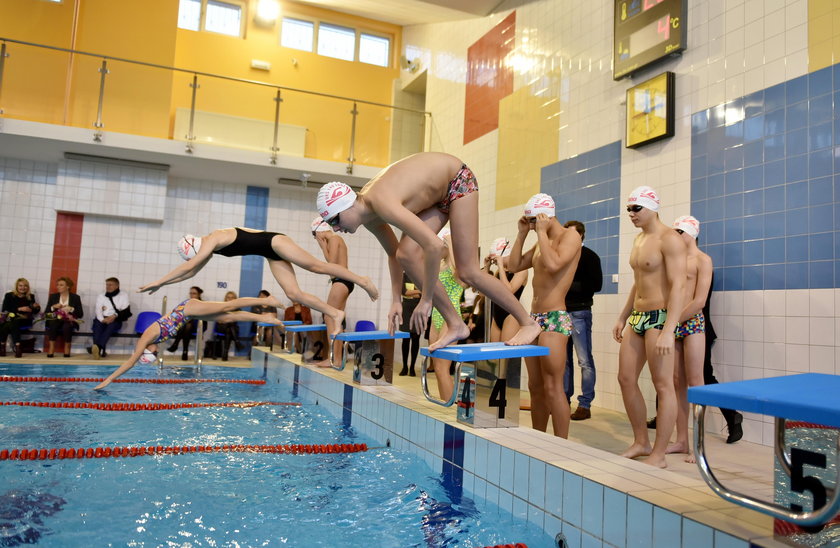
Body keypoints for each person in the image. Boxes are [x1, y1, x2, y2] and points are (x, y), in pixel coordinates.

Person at [315, 152, 540, 350]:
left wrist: (426, 299)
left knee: (468, 271)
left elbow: (434, 245)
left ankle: (528, 323)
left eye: (335, 220)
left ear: (347, 206)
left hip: (457, 181)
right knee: (406, 254)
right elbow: (395, 255)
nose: (335, 228)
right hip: (437, 197)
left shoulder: (381, 201)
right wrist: (396, 300)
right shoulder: (370, 215)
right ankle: (456, 324)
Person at [138, 227, 379, 339]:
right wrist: (162, 285)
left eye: (195, 255)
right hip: (270, 252)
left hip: (275, 242)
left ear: (193, 246)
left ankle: (361, 279)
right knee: (294, 294)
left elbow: (189, 267)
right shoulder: (207, 250)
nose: (197, 258)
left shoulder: (212, 238)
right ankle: (334, 313)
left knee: (316, 266)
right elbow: (190, 273)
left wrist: (158, 281)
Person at [612, 186, 686, 468]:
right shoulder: (639, 239)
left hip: (660, 317)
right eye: (629, 209)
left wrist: (670, 328)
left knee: (663, 385)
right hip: (638, 317)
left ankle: (659, 453)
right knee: (625, 379)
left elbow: (679, 286)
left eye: (636, 209)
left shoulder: (670, 239)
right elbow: (638, 282)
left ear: (652, 207)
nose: (631, 214)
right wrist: (622, 316)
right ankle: (641, 441)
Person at [94, 294, 285, 390]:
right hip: (188, 314)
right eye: (155, 355)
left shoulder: (146, 337)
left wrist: (109, 379)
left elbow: (130, 361)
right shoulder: (155, 341)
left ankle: (266, 300)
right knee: (227, 318)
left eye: (152, 353)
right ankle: (266, 318)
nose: (156, 352)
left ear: (147, 350)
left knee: (228, 305)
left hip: (188, 308)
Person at [507, 194, 581, 438]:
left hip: (555, 319)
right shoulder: (541, 240)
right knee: (535, 387)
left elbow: (553, 265)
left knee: (552, 387)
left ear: (545, 216)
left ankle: (561, 444)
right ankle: (538, 440)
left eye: (533, 219)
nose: (531, 224)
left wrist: (539, 232)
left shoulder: (570, 236)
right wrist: (521, 233)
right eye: (528, 221)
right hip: (534, 319)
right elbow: (515, 265)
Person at [659, 215, 712, 463]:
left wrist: (673, 322)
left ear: (691, 234)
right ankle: (681, 440)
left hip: (691, 323)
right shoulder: (674, 260)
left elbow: (700, 301)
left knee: (695, 382)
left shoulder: (703, 260)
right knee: (675, 381)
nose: (676, 237)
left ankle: (698, 444)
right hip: (673, 322)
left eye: (679, 232)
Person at [562, 221, 603, 421]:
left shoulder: (590, 256)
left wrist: (567, 286)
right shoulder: (562, 256)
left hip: (580, 312)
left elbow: (596, 284)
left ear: (581, 236)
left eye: (572, 235)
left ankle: (585, 404)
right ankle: (563, 400)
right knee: (564, 361)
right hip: (562, 312)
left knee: (584, 360)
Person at [428, 228, 467, 401]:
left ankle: (451, 410)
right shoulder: (440, 266)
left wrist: (451, 242)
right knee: (437, 367)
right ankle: (446, 406)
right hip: (436, 316)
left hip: (450, 319)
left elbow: (462, 277)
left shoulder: (457, 267)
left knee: (443, 368)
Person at [311, 217, 354, 367]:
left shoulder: (335, 239)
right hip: (342, 282)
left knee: (329, 317)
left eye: (315, 236)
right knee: (336, 319)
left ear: (320, 232)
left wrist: (323, 246)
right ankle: (337, 358)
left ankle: (334, 359)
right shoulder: (336, 240)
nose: (316, 240)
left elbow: (331, 264)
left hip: (341, 281)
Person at [486, 237, 528, 344]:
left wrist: (500, 266)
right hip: (497, 315)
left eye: (496, 259)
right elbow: (483, 291)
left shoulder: (521, 270)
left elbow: (509, 291)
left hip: (511, 316)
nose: (495, 262)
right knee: (494, 355)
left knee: (505, 356)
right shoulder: (498, 273)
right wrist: (487, 267)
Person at [89, 277, 130, 359]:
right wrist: (102, 319)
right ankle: (98, 350)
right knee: (97, 326)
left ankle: (97, 347)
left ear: (117, 286)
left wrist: (114, 316)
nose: (108, 287)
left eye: (110, 285)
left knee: (110, 327)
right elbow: (98, 309)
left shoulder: (123, 295)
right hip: (102, 318)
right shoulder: (101, 296)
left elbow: (125, 311)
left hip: (116, 319)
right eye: (107, 285)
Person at [0, 278, 41, 358]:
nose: (23, 287)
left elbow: (35, 311)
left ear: (28, 287)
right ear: (16, 286)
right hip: (11, 319)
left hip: (25, 319)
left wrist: (36, 307)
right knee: (7, 322)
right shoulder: (9, 295)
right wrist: (19, 309)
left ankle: (2, 347)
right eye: (20, 286)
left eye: (25, 286)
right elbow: (4, 309)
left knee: (11, 322)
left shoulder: (30, 296)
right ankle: (18, 347)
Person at [45, 277, 84, 358]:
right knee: (53, 323)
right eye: (57, 285)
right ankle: (51, 347)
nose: (58, 287)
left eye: (61, 285)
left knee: (67, 326)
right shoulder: (53, 296)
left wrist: (71, 309)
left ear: (68, 286)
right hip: (56, 319)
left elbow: (80, 314)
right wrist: (53, 307)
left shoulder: (75, 297)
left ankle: (67, 348)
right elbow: (46, 313)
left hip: (69, 320)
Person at [166, 286, 206, 360]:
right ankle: (184, 351)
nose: (192, 295)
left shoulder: (203, 304)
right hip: (187, 326)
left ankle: (176, 344)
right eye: (191, 293)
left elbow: (203, 318)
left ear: (199, 294)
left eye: (194, 293)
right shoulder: (187, 303)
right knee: (187, 325)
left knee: (187, 325)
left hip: (199, 325)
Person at [399, 272, 422, 376]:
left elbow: (425, 292)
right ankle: (405, 366)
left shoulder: (422, 275)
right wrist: (418, 291)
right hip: (406, 309)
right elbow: (404, 292)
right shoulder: (404, 275)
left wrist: (411, 292)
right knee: (406, 339)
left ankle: (412, 367)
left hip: (419, 309)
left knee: (416, 339)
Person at [214, 291, 244, 361]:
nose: (230, 299)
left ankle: (225, 354)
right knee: (230, 326)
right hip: (221, 327)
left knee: (229, 329)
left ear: (235, 299)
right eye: (228, 297)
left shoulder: (237, 308)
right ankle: (237, 343)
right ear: (226, 298)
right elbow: (219, 320)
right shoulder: (221, 307)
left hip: (230, 328)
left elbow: (237, 318)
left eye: (232, 298)